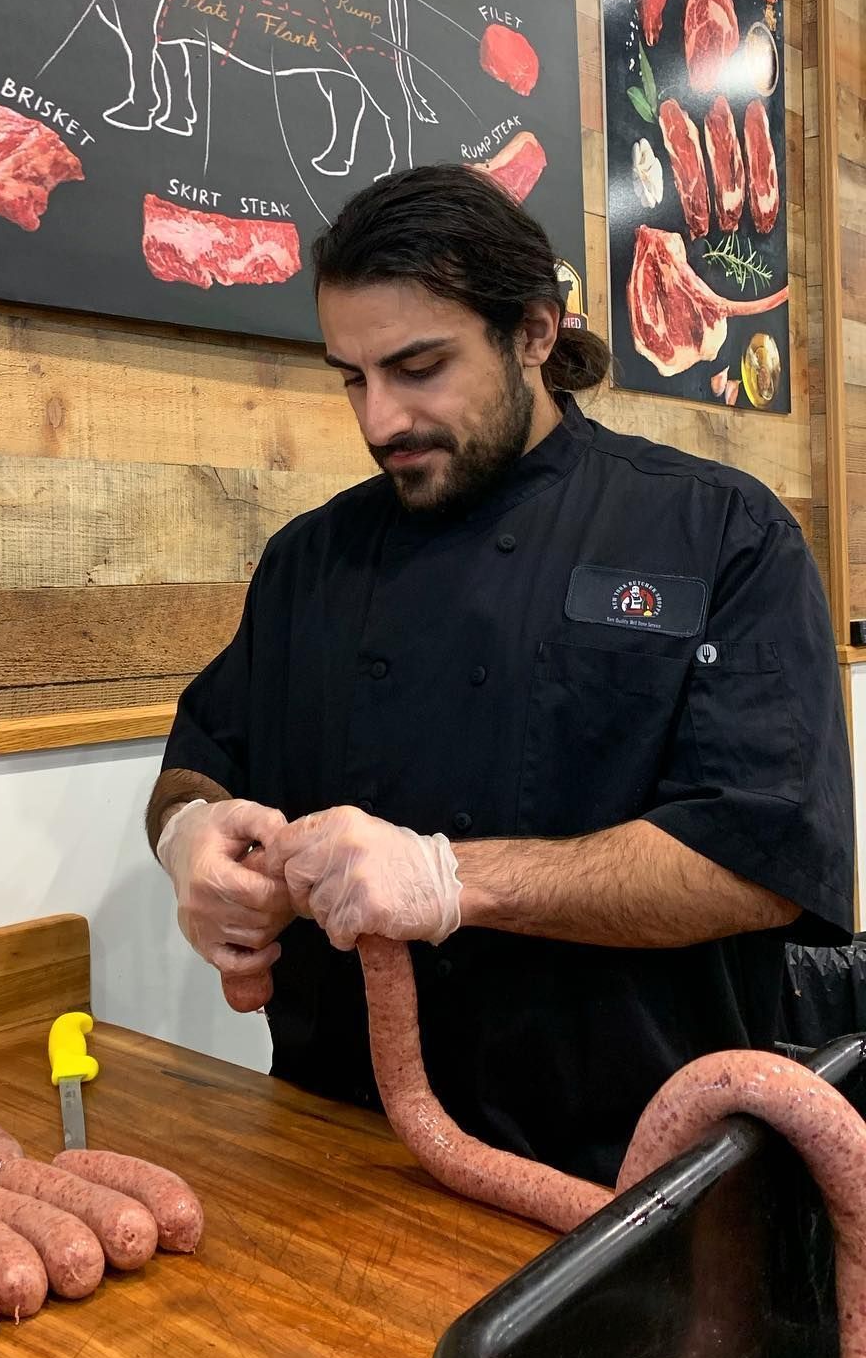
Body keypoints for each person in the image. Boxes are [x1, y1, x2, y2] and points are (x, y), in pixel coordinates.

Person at [145, 164, 853, 1187]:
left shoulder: (720, 536)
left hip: (630, 1177)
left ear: (532, 333)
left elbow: (758, 862)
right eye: (351, 376)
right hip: (338, 1152)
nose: (381, 418)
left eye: (419, 367)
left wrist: (447, 882)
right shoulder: (311, 560)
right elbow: (200, 760)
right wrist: (186, 840)